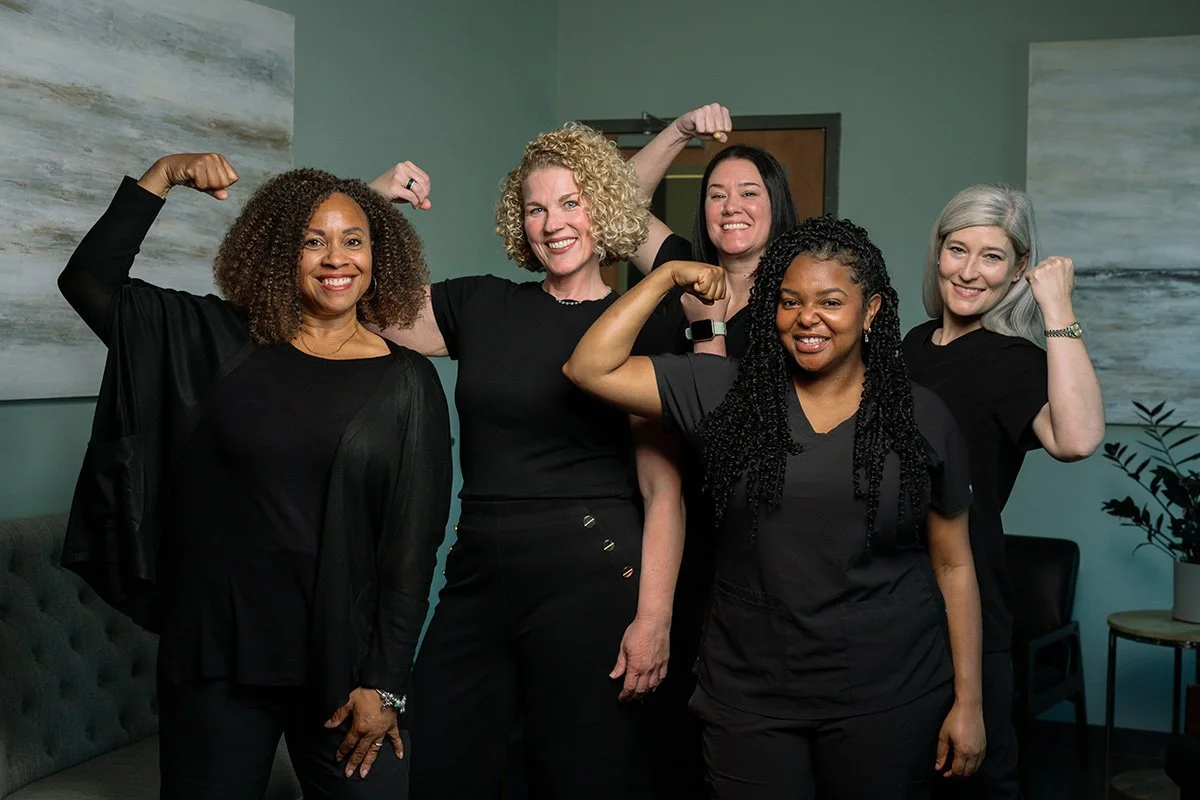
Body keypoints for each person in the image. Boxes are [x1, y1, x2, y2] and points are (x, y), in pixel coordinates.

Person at [58, 152, 453, 799]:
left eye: (353, 241)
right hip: (216, 663)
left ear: (378, 255)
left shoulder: (408, 383)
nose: (336, 259)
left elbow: (410, 549)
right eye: (312, 241)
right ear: (279, 253)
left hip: (345, 674)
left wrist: (385, 682)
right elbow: (90, 283)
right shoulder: (218, 344)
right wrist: (162, 176)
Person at [564, 215, 987, 800]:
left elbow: (954, 566)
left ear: (872, 311)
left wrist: (970, 702)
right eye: (789, 301)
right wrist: (665, 278)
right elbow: (588, 368)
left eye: (831, 301)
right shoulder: (725, 393)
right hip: (750, 696)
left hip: (888, 693)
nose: (807, 318)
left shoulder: (922, 418)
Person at [369, 123, 683, 800]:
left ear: (602, 207)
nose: (553, 223)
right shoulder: (481, 303)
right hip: (480, 567)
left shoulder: (640, 320)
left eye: (571, 203)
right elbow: (354, 302)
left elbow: (663, 489)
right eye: (536, 208)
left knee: (581, 777)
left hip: (592, 570)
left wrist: (654, 618)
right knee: (443, 764)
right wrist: (371, 200)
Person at [902, 184, 1105, 800]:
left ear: (1019, 268)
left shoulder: (1013, 360)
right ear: (937, 252)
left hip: (967, 599)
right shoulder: (908, 345)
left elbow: (1076, 438)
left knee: (975, 776)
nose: (968, 272)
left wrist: (1057, 308)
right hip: (886, 594)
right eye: (956, 249)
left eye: (992, 257)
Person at [627, 103, 798, 358]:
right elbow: (618, 205)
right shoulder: (683, 270)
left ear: (777, 204)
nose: (730, 207)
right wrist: (679, 130)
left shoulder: (797, 294)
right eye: (717, 195)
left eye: (748, 193)